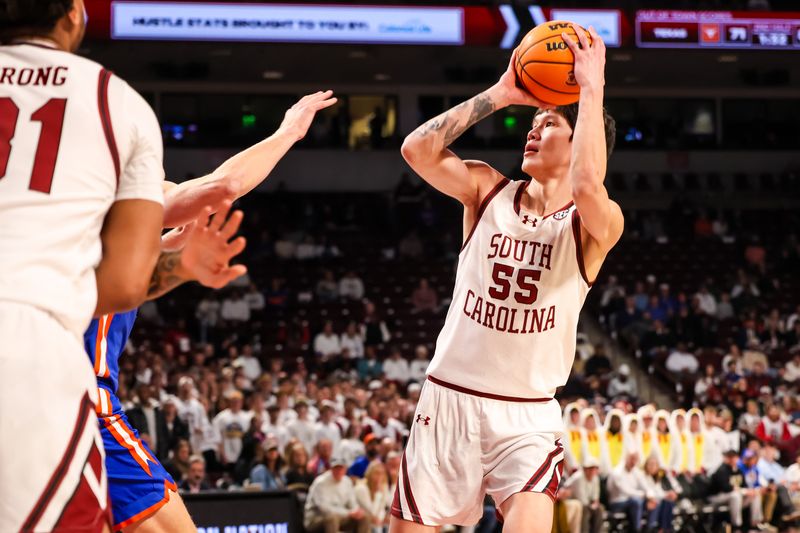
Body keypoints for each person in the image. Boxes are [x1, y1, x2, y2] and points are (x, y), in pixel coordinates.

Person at [393, 26, 620, 530]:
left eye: (549, 122)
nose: (532, 131)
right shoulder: (486, 189)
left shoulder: (597, 222)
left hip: (526, 413)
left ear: (582, 137)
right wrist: (501, 94)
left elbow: (586, 182)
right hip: (449, 395)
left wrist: (590, 89)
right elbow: (416, 150)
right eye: (532, 122)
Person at [85, 86, 337, 531]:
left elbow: (115, 292)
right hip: (82, 397)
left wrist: (177, 265)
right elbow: (223, 187)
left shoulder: (79, 218)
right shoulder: (114, 203)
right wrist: (288, 133)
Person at [304, 457, 371, 533]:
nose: (339, 471)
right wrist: (348, 513)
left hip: (341, 516)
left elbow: (353, 503)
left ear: (345, 470)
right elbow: (324, 509)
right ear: (331, 469)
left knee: (364, 517)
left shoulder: (347, 482)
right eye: (336, 468)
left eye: (341, 468)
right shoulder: (320, 483)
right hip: (316, 518)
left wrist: (356, 512)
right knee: (331, 517)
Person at [607, 452, 652, 530]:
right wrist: (643, 494)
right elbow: (625, 491)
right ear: (625, 458)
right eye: (631, 459)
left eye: (635, 460)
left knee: (654, 503)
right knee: (636, 502)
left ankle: (650, 529)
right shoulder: (617, 472)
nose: (633, 462)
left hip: (631, 502)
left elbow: (646, 487)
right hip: (617, 503)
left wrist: (650, 496)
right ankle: (637, 529)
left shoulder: (636, 471)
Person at [562, 457, 603, 533]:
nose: (592, 471)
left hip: (585, 502)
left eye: (594, 468)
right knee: (585, 510)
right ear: (584, 469)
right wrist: (592, 506)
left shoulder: (596, 478)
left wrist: (595, 504)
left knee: (599, 508)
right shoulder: (578, 477)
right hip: (571, 501)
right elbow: (582, 499)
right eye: (590, 468)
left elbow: (595, 498)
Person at [355, 461, 392, 533]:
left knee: (388, 523)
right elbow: (372, 512)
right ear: (369, 474)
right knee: (377, 527)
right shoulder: (361, 488)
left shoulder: (383, 486)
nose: (380, 477)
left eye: (382, 473)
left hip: (376, 522)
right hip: (362, 522)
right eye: (376, 473)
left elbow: (385, 507)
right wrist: (378, 494)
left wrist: (382, 518)